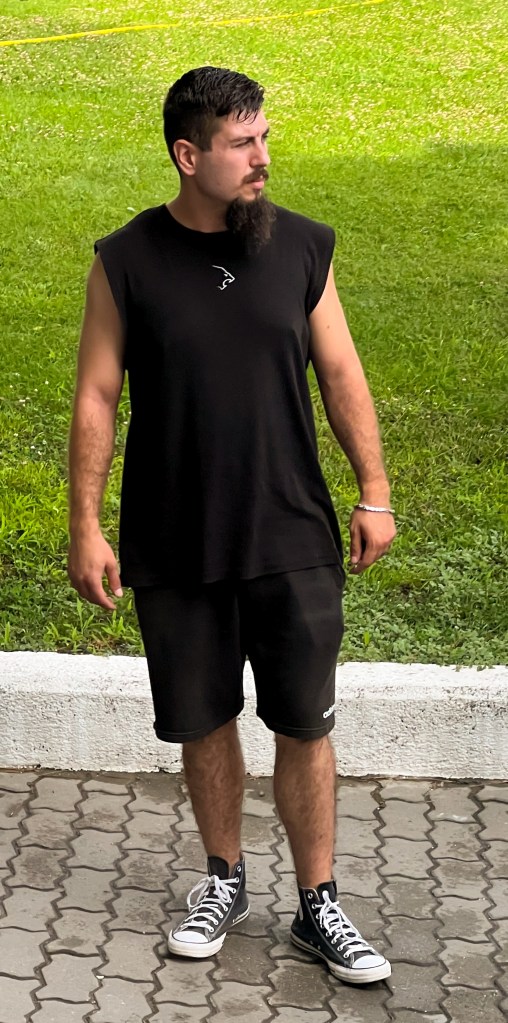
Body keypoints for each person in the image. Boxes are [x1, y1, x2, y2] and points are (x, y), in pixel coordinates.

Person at [67, 66, 397, 985]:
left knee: (304, 723)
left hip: (291, 533)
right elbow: (96, 395)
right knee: (204, 719)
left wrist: (374, 489)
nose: (263, 158)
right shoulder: (126, 260)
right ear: (188, 154)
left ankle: (319, 902)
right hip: (175, 539)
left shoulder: (302, 248)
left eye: (264, 138)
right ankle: (224, 879)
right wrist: (86, 524)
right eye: (243, 143)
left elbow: (342, 372)